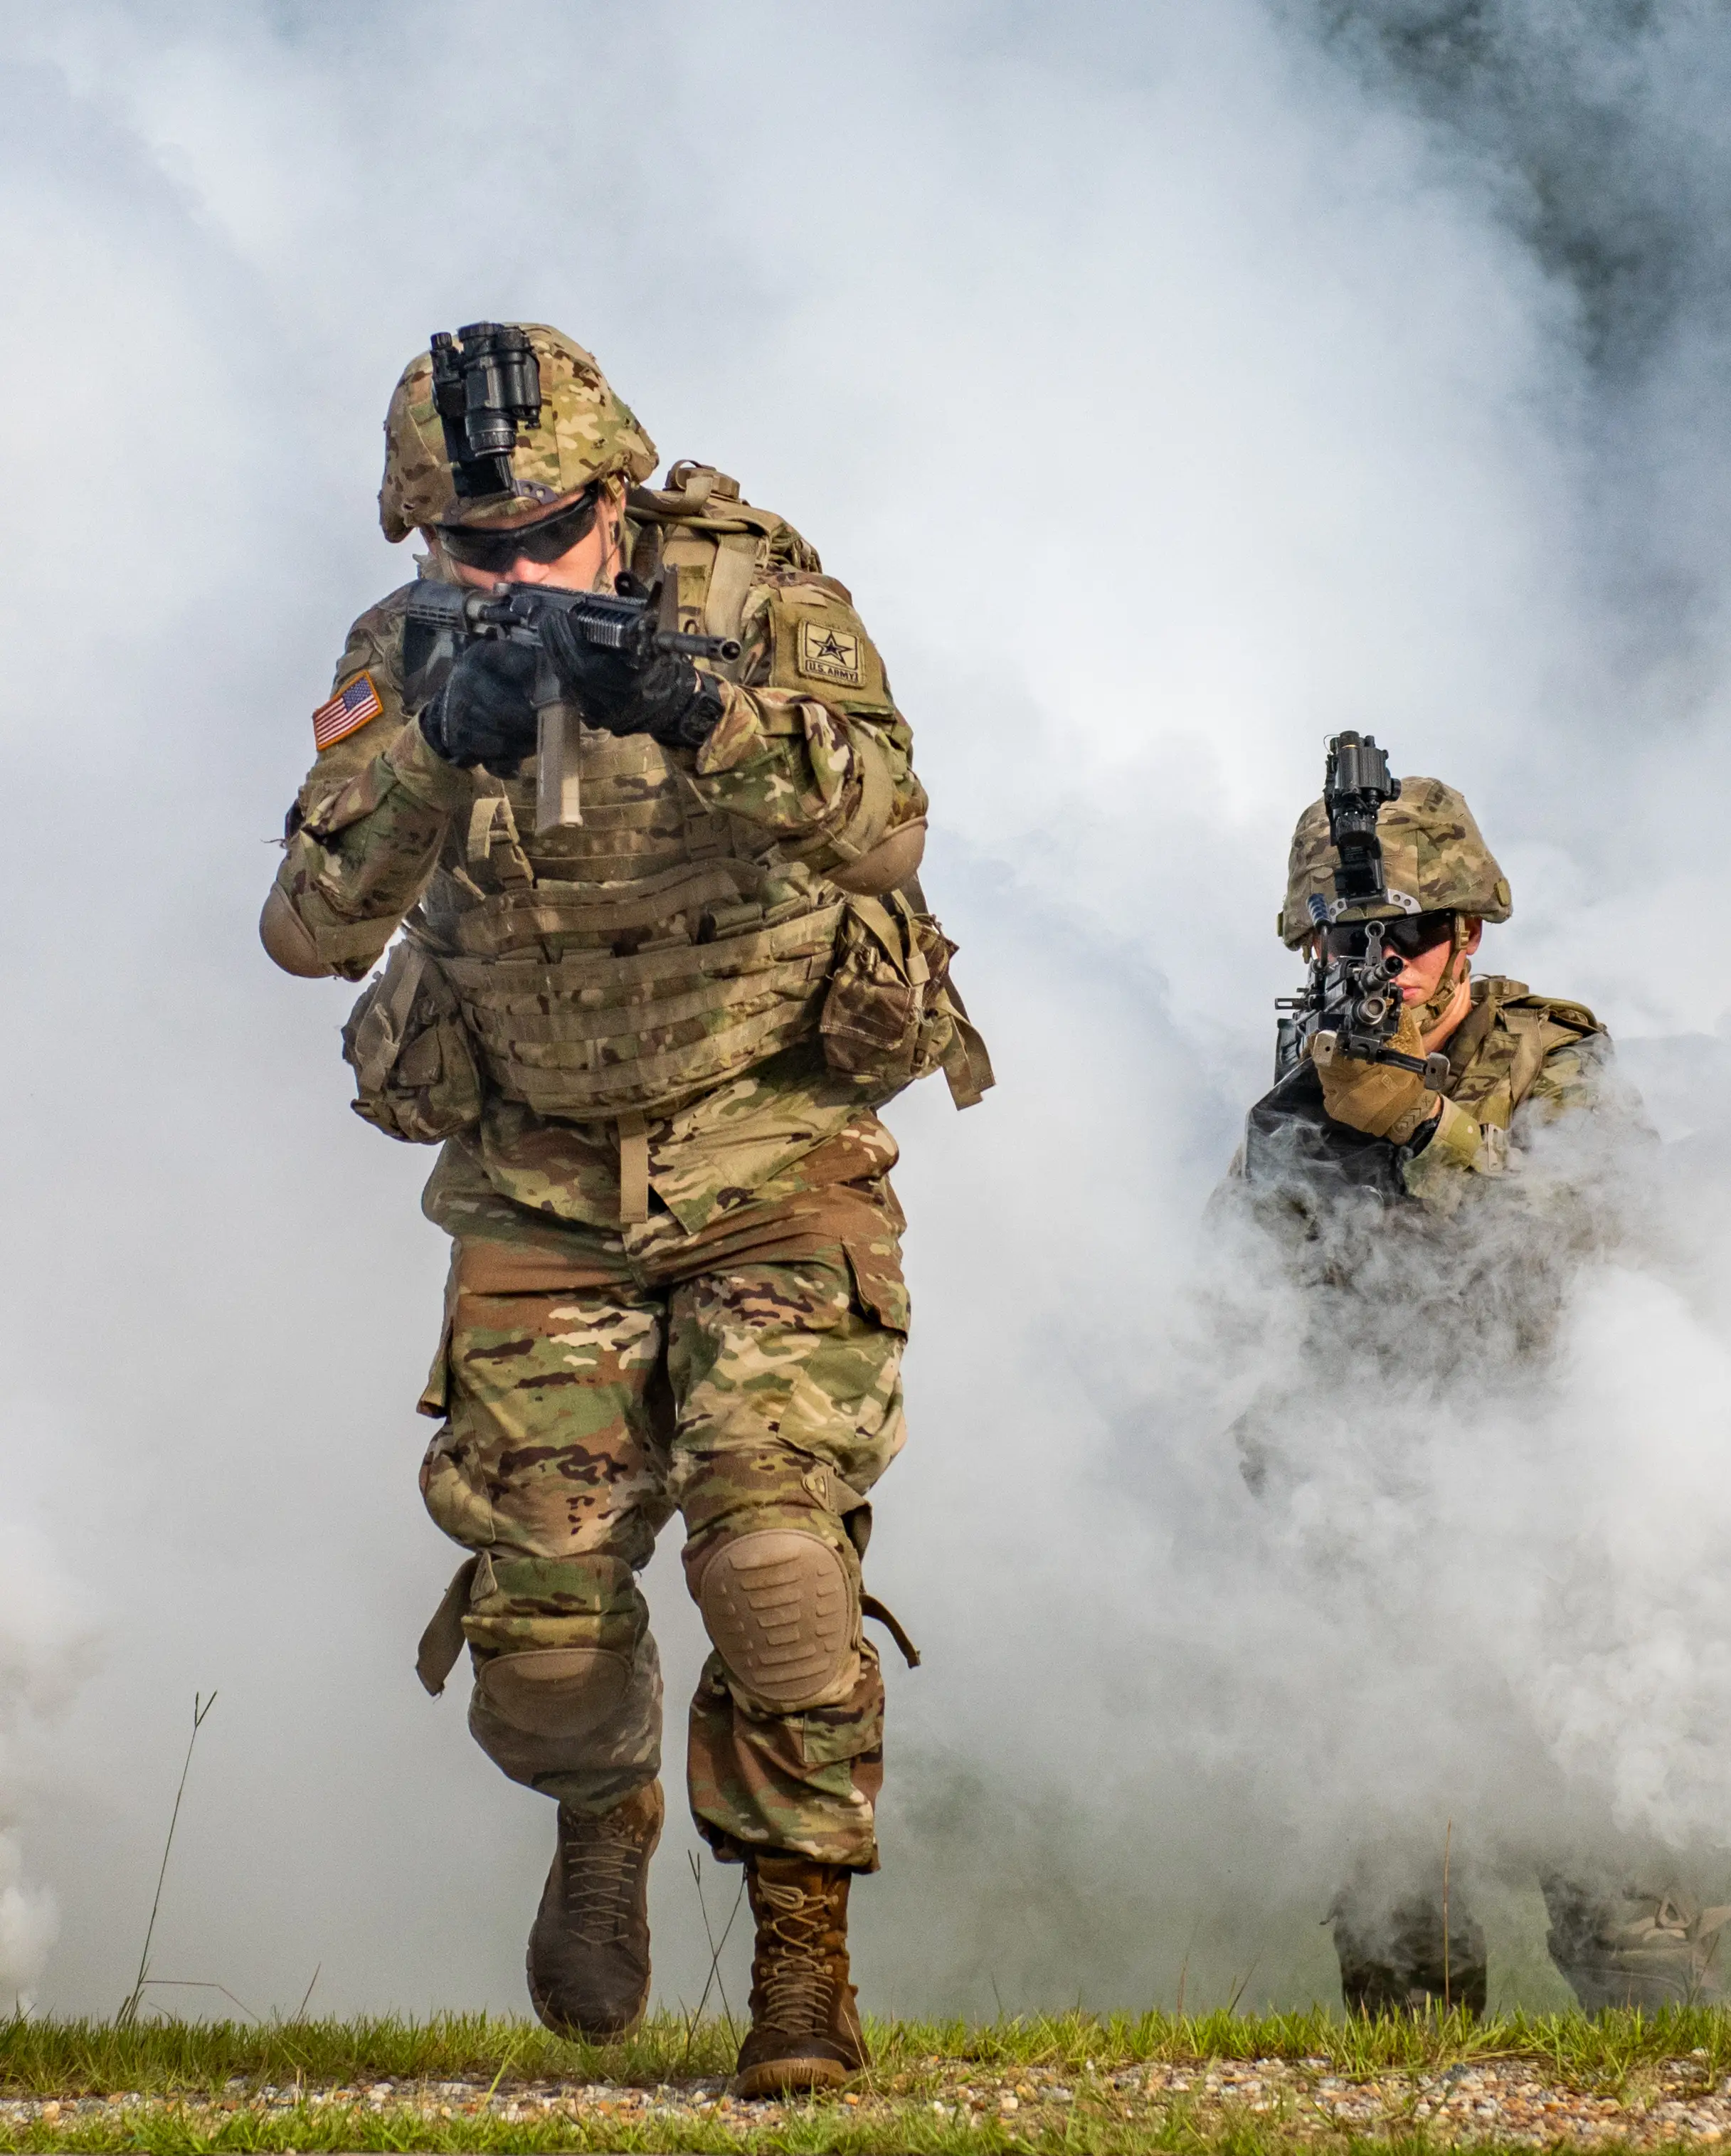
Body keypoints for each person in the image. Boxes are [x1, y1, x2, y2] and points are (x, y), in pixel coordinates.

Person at [261, 322, 985, 2094]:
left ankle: (802, 1964)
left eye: (546, 539)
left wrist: (701, 707)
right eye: (471, 552)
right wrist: (440, 747)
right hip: (538, 1177)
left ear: (617, 497)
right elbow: (308, 924)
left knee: (777, 1565)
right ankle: (605, 1815)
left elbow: (888, 829)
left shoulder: (760, 599)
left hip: (769, 1149)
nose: (514, 575)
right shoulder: (402, 656)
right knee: (546, 1628)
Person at [1232, 766, 1731, 2011]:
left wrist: (1416, 1120)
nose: (1379, 962)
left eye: (1404, 934)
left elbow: (1596, 1232)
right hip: (1379, 1505)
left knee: (1626, 1911)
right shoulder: (1301, 1096)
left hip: (1556, 1494)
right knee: (1401, 1896)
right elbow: (1240, 1298)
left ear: (1465, 932)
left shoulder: (1551, 1055)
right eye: (1347, 938)